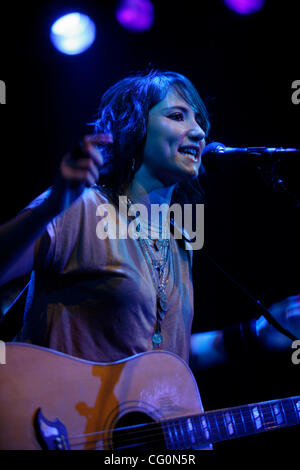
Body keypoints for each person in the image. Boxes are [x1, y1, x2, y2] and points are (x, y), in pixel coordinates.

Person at [0, 69, 299, 370]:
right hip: (55, 414)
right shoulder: (81, 208)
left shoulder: (179, 239)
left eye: (198, 119)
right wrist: (50, 207)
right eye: (178, 116)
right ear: (136, 127)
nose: (198, 132)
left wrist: (256, 333)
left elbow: (163, 364)